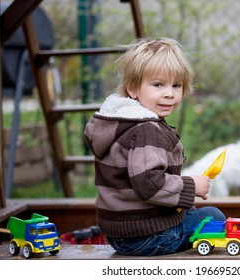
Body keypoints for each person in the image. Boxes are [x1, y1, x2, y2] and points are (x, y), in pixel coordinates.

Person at [84, 37, 225, 256]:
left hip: (120, 231)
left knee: (190, 210)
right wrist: (191, 186)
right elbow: (149, 183)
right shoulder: (146, 130)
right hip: (144, 234)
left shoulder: (123, 122)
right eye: (158, 85)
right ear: (133, 88)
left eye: (176, 85)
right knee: (214, 218)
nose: (169, 93)